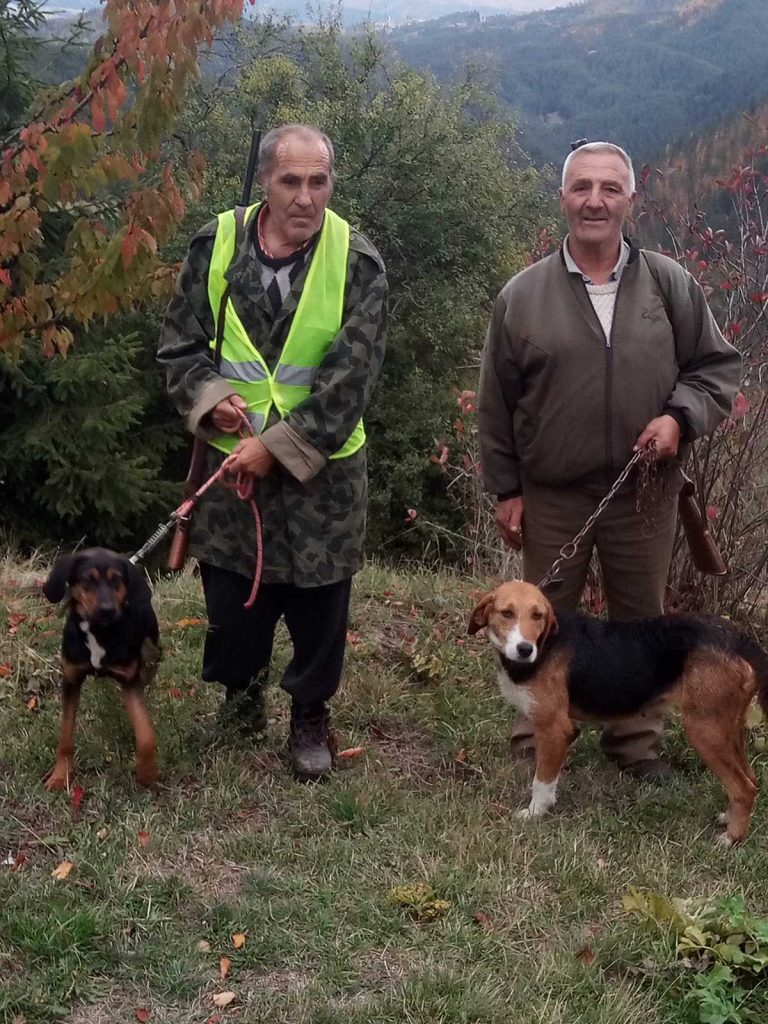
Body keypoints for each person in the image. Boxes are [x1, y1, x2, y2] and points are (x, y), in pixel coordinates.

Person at [478, 140, 742, 780]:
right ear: (563, 198)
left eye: (609, 188)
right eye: (581, 187)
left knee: (641, 622)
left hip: (645, 492)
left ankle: (634, 745)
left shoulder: (670, 285)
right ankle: (536, 738)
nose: (594, 201)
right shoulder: (523, 295)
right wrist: (507, 489)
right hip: (552, 492)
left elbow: (715, 369)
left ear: (630, 199)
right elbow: (496, 403)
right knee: (537, 617)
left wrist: (678, 418)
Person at [158, 124, 388, 779]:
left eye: (319, 181)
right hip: (232, 470)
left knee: (321, 605)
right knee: (234, 599)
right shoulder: (216, 243)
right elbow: (179, 346)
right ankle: (239, 702)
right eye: (291, 181)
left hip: (324, 476)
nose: (306, 197)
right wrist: (209, 399)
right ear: (265, 181)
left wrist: (276, 447)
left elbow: (351, 383)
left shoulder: (357, 262)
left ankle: (310, 716)